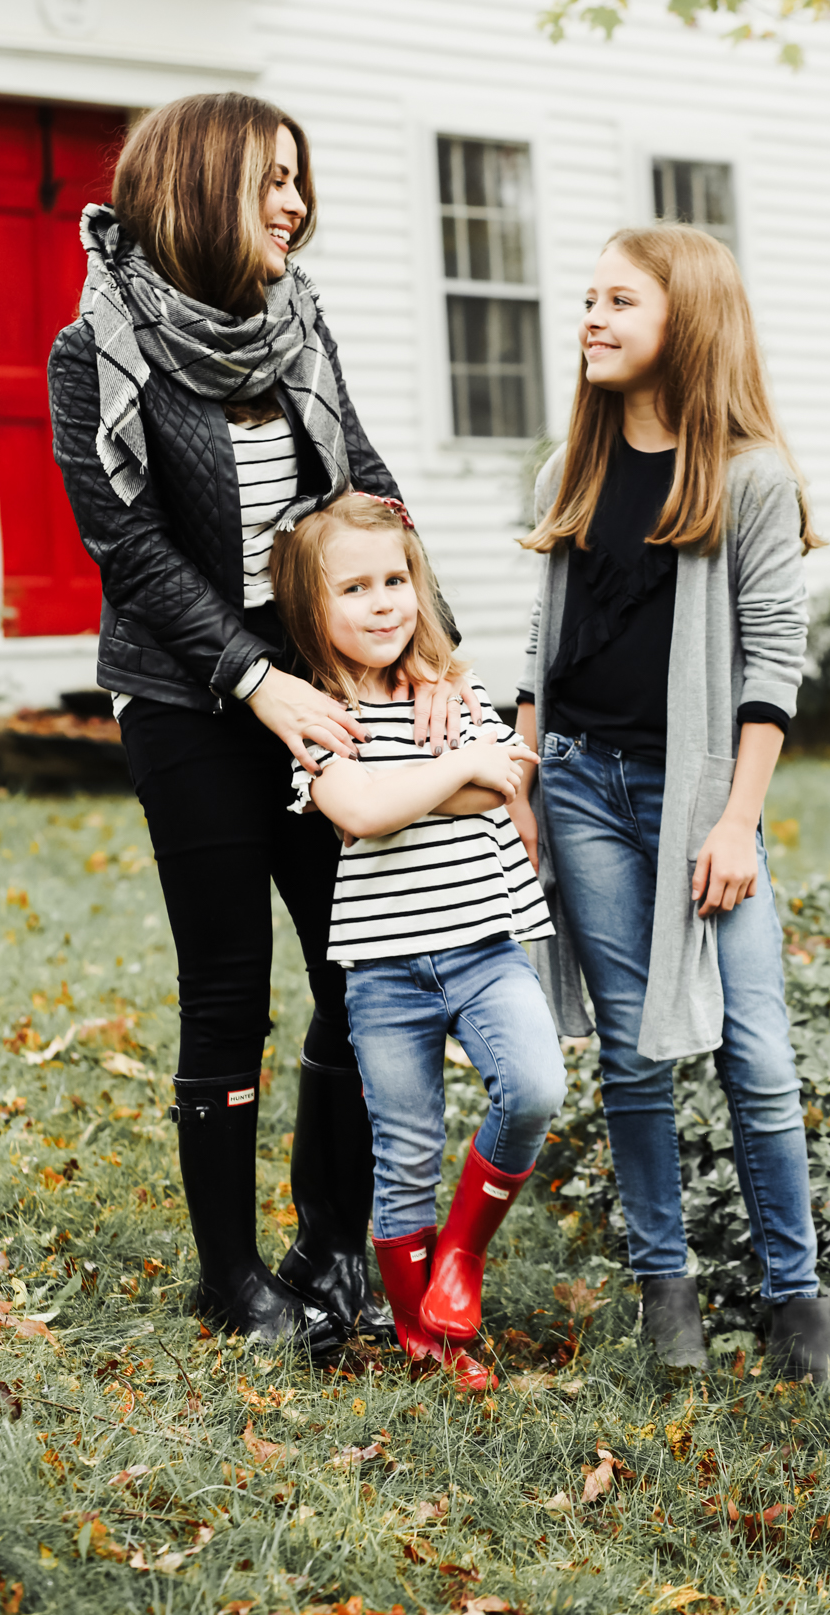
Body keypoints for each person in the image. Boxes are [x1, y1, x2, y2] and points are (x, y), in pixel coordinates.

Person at [49, 92, 477, 1351]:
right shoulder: (95, 348)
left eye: (300, 179)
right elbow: (123, 541)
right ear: (195, 183)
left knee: (360, 970)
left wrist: (431, 646)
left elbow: (365, 485)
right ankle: (233, 1279)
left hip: (319, 688)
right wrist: (253, 676)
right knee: (228, 987)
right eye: (269, 178)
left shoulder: (299, 322)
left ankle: (332, 1243)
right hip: (188, 698)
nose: (294, 201)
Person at [511, 223, 830, 1390]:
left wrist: (732, 823)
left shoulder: (751, 477)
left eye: (619, 301)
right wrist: (524, 776)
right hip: (584, 789)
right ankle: (668, 1299)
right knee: (632, 1055)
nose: (592, 320)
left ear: (686, 321)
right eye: (590, 300)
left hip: (699, 797)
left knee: (756, 1058)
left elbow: (773, 662)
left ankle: (797, 1307)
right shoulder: (572, 472)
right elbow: (537, 642)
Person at [270, 492, 567, 1391]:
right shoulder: (320, 719)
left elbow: (505, 782)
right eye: (355, 587)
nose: (384, 601)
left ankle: (461, 1262)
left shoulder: (455, 689)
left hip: (484, 946)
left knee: (535, 1086)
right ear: (312, 610)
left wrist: (444, 776)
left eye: (396, 578)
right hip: (385, 972)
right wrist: (455, 768)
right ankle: (424, 1336)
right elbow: (356, 811)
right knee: (403, 1152)